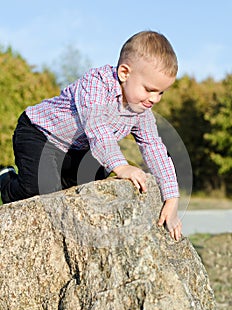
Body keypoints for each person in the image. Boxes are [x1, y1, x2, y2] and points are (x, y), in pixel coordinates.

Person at [0, 30, 182, 240]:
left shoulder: (140, 108)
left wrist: (171, 197)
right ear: (125, 73)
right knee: (43, 189)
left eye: (161, 92)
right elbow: (98, 130)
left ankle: (62, 186)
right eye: (150, 89)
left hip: (74, 150)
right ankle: (6, 181)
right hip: (40, 134)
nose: (155, 98)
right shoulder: (96, 84)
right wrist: (121, 166)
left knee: (93, 179)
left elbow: (153, 146)